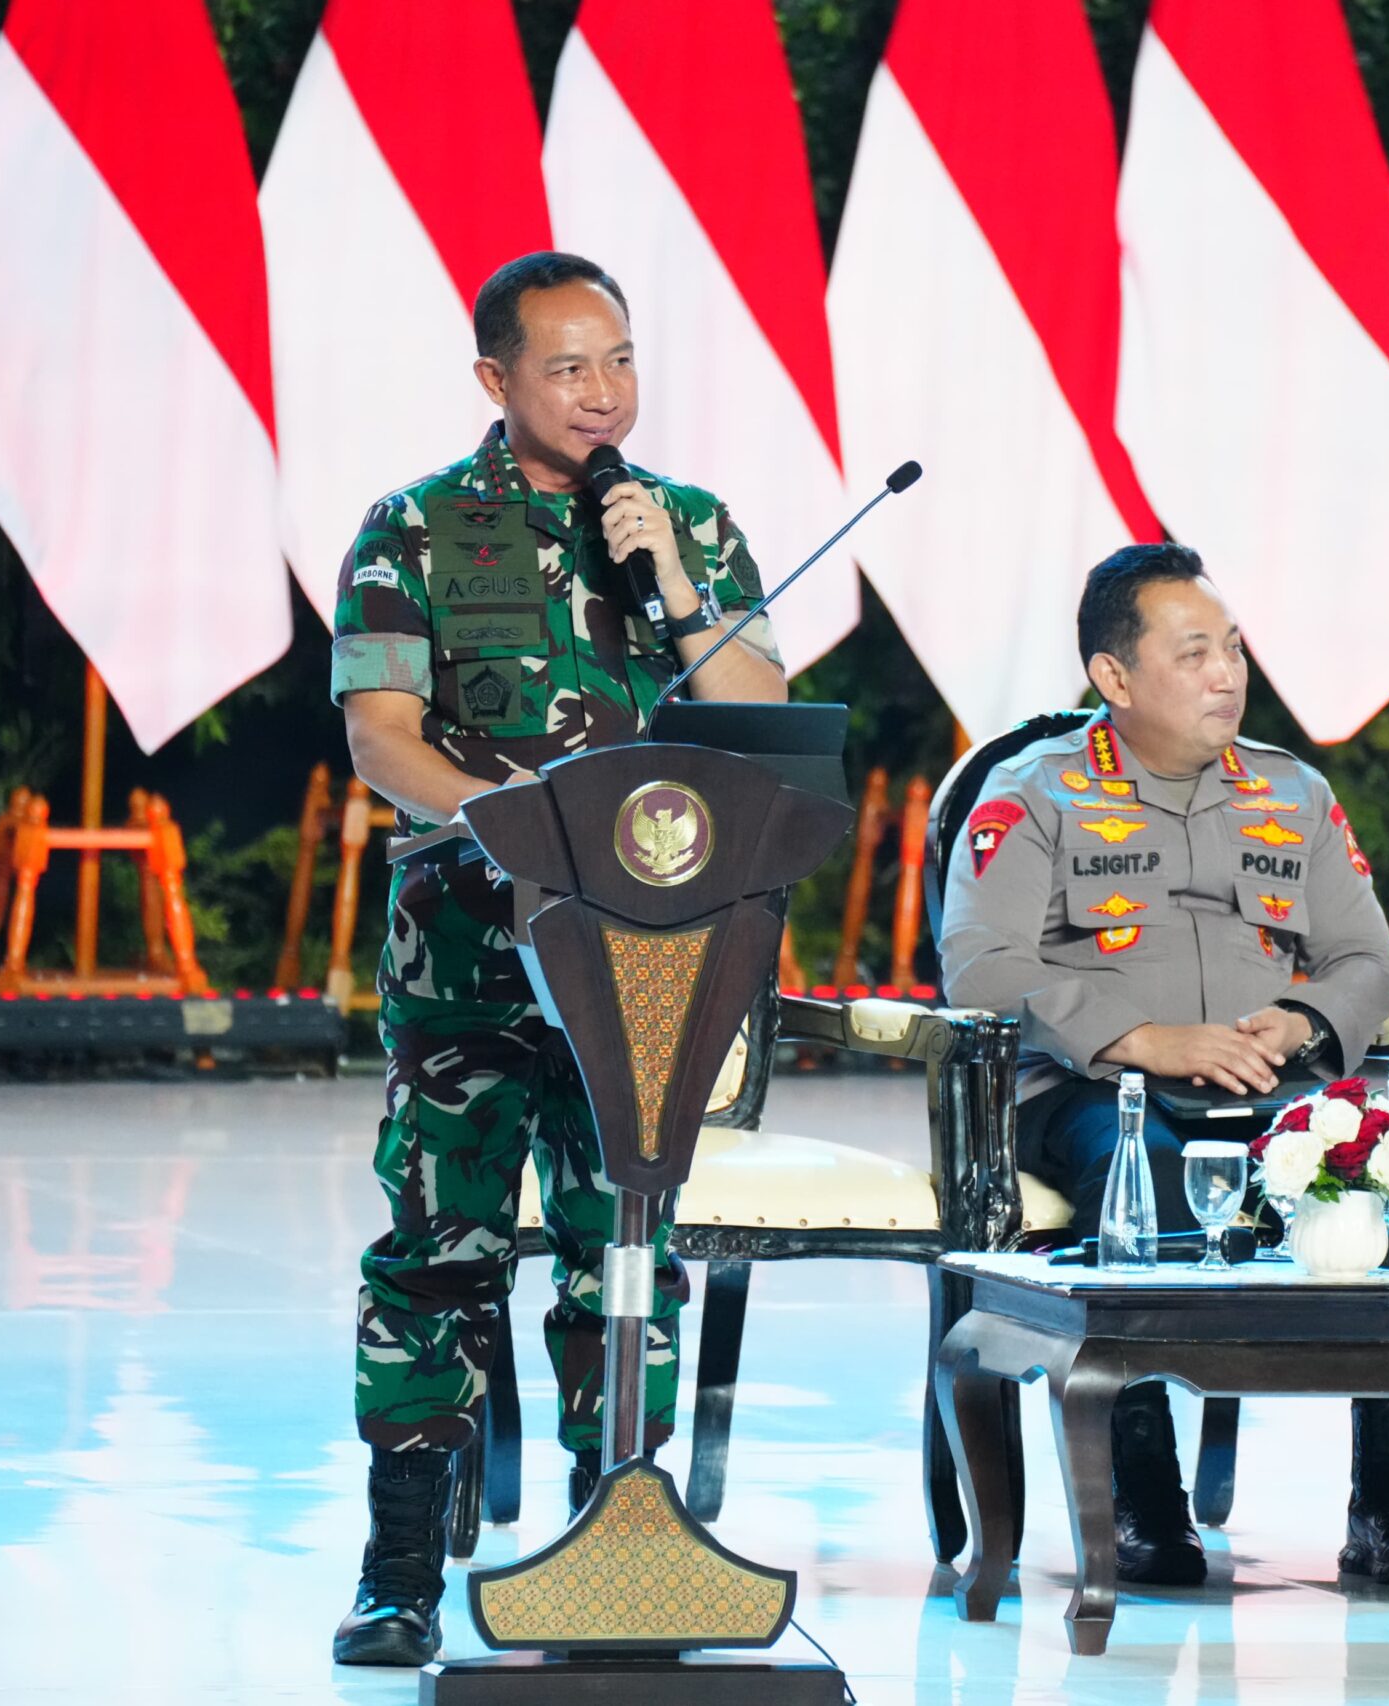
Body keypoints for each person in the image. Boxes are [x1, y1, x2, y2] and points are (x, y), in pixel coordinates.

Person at [326, 251, 788, 1666]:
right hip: (471, 950)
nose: (603, 393)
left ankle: (618, 1537)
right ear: (497, 376)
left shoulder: (689, 525)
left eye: (621, 360)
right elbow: (382, 737)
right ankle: (401, 1565)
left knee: (625, 1250)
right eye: (569, 366)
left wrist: (674, 585)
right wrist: (525, 831)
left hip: (649, 957)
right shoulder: (414, 527)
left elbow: (759, 707)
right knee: (439, 1250)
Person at [938, 543, 1389, 1589]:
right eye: (1194, 654)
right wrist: (1143, 1038)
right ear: (1115, 675)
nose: (1227, 674)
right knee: (1147, 1179)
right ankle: (1143, 1502)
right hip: (1094, 1088)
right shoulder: (1033, 791)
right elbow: (981, 965)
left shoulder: (1290, 789)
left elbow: (1368, 956)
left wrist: (1300, 1019)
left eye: (1233, 649)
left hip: (1272, 1084)